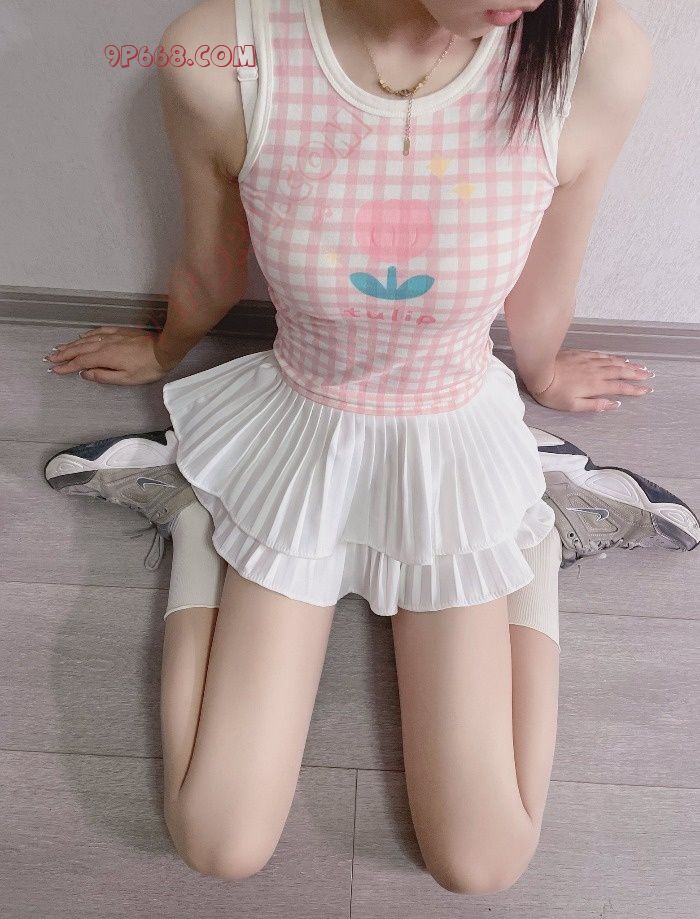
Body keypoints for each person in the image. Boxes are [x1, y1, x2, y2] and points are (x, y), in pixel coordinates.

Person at [41, 0, 699, 894]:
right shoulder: (224, 54)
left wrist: (542, 374)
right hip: (303, 433)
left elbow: (549, 275)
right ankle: (197, 511)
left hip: (451, 441)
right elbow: (210, 264)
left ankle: (539, 528)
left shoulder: (592, 54)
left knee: (484, 859)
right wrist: (164, 351)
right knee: (219, 840)